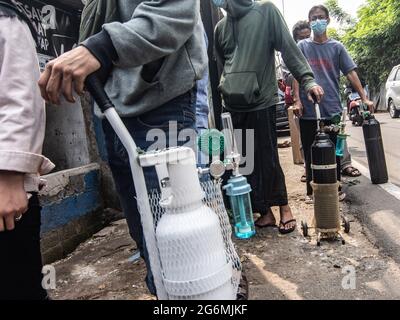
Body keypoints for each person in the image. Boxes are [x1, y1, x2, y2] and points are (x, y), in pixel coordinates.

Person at [38, 0, 207, 296]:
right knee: (149, 240)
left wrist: (100, 47)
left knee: (181, 242)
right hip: (112, 112)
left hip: (161, 104)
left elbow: (176, 13)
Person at [213, 0, 324, 234]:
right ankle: (265, 213)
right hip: (232, 105)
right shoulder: (220, 28)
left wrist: (307, 80)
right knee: (243, 162)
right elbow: (222, 67)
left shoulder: (265, 12)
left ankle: (285, 208)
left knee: (268, 158)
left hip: (260, 100)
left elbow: (288, 48)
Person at [0, 1, 55, 300]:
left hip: (5, 197)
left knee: (19, 288)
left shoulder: (6, 16)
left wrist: (9, 177)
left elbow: (21, 97)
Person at [293, 5, 373, 203]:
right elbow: (296, 74)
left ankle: (335, 187)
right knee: (311, 153)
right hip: (309, 109)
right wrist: (297, 99)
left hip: (332, 109)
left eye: (320, 17)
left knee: (334, 153)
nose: (317, 21)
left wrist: (364, 97)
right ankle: (312, 192)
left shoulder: (337, 47)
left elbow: (350, 73)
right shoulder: (303, 46)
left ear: (328, 20)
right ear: (309, 21)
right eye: (313, 18)